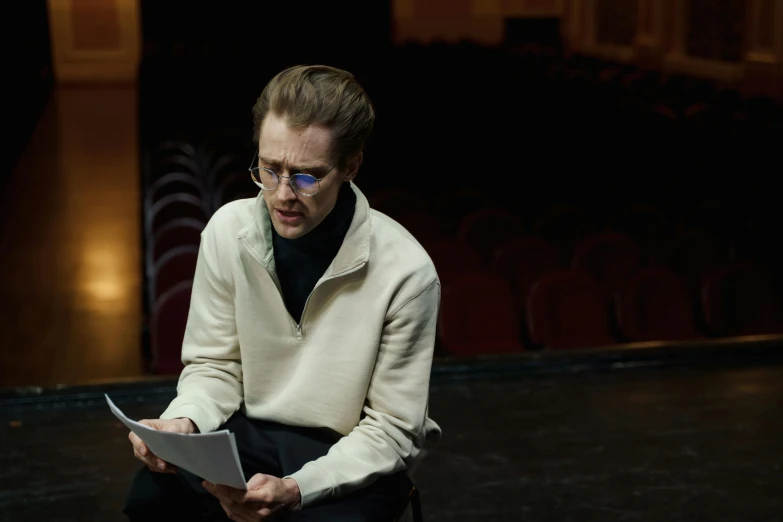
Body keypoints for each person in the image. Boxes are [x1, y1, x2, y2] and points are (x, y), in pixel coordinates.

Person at [123, 64, 442, 521]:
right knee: (151, 497)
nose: (283, 194)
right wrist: (184, 421)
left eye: (308, 176)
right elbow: (215, 365)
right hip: (249, 429)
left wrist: (297, 489)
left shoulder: (407, 273)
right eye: (269, 170)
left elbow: (391, 432)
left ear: (351, 166)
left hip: (349, 448)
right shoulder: (227, 232)